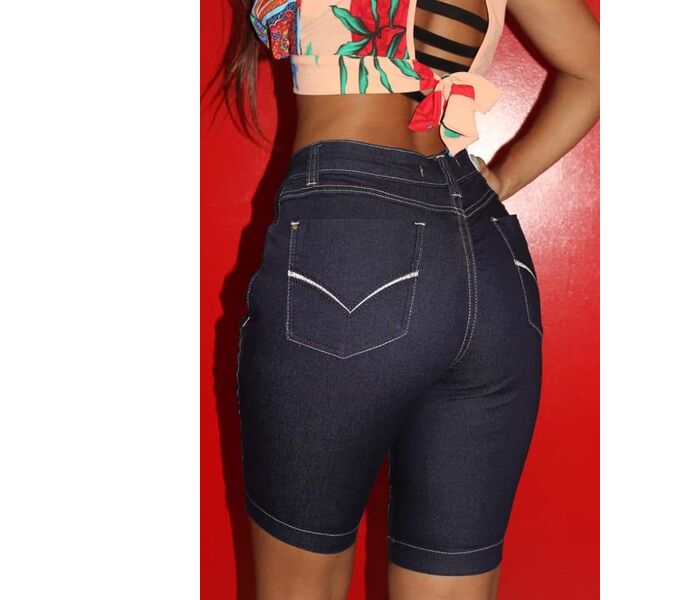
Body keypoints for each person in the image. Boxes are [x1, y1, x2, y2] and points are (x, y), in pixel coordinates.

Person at [220, 0, 598, 597]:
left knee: (299, 588)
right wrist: (500, 180)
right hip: (488, 257)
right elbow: (595, 70)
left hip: (350, 240)